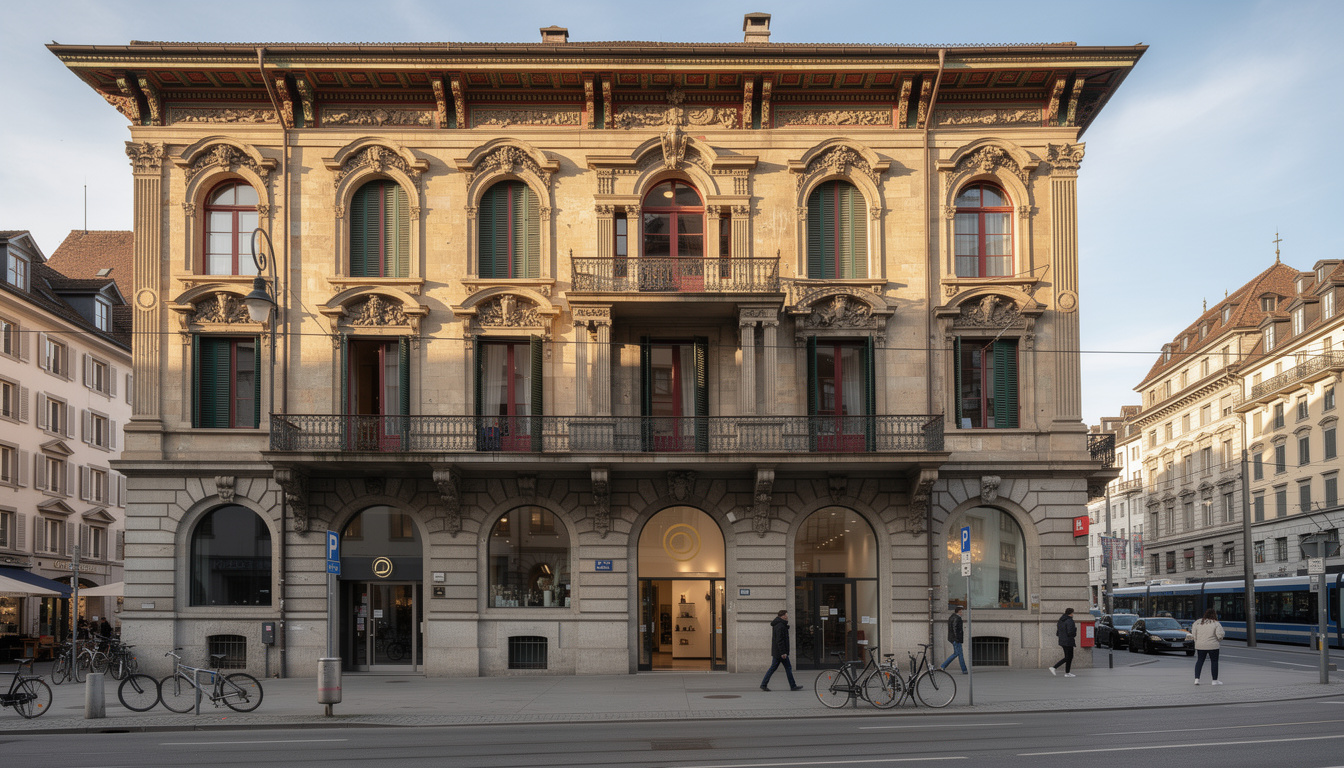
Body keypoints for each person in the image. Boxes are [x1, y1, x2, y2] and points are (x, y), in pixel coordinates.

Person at [760, 609, 804, 692]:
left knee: (777, 668)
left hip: (778, 652)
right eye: (786, 615)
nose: (787, 616)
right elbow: (779, 640)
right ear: (783, 616)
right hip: (780, 653)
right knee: (786, 668)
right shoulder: (780, 626)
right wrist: (783, 652)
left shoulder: (779, 624)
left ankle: (764, 684)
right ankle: (793, 686)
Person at [1190, 608, 1225, 685]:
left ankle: (1197, 679)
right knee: (1214, 662)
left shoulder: (1197, 622)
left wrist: (1197, 641)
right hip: (1213, 645)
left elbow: (1194, 635)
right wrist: (1218, 640)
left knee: (1200, 661)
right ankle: (1214, 681)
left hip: (1200, 645)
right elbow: (1220, 635)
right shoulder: (1216, 623)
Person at [1050, 607, 1077, 677]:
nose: (1073, 614)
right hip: (1068, 641)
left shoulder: (1061, 620)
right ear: (1071, 613)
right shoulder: (1070, 621)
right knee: (1069, 657)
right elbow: (1070, 632)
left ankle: (1067, 672)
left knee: (1068, 657)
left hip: (1062, 640)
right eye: (1073, 613)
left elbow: (1057, 632)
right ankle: (1054, 667)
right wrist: (1075, 631)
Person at [940, 606, 967, 674]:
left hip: (953, 638)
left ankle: (964, 670)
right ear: (959, 612)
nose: (962, 613)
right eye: (961, 611)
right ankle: (943, 665)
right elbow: (955, 629)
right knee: (957, 653)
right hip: (956, 639)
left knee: (959, 653)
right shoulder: (957, 618)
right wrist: (957, 639)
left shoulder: (952, 617)